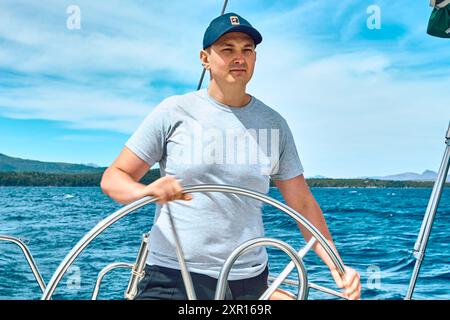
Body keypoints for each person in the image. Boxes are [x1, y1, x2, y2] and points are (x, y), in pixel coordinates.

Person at [100, 12, 361, 300]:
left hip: (247, 281)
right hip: (172, 276)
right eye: (228, 49)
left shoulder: (274, 124)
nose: (240, 57)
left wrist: (337, 266)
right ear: (205, 58)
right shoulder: (173, 112)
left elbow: (301, 202)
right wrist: (147, 191)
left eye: (247, 50)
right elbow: (114, 178)